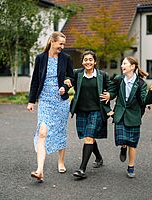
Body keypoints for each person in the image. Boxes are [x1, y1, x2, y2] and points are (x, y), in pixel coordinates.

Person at [27, 32, 74, 182]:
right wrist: (31, 100)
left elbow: (71, 77)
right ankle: (40, 170)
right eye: (60, 43)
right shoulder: (41, 58)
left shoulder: (65, 58)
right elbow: (35, 80)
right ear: (52, 42)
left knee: (60, 130)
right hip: (45, 100)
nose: (62, 46)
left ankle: (60, 161)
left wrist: (65, 87)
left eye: (63, 44)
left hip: (60, 101)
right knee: (42, 132)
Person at [100, 56, 152, 178]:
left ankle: (131, 166)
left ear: (132, 66)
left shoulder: (141, 83)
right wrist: (109, 95)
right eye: (122, 63)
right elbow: (113, 91)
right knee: (122, 140)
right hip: (120, 114)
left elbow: (144, 101)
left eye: (124, 63)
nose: (122, 66)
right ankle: (123, 147)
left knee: (133, 143)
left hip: (133, 116)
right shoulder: (119, 79)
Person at [65, 50, 113, 179]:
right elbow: (67, 77)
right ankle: (98, 157)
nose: (88, 62)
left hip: (96, 111)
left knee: (88, 137)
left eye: (90, 59)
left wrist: (110, 95)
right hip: (81, 111)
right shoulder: (77, 74)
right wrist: (67, 81)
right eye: (85, 59)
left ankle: (82, 169)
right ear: (82, 62)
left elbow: (112, 88)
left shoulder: (102, 75)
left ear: (95, 61)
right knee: (89, 137)